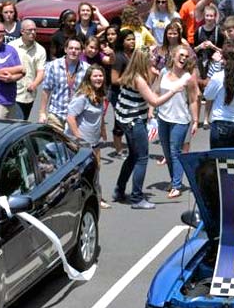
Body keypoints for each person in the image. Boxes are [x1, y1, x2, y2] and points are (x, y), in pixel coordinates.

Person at [112, 48, 185, 210]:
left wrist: (157, 77)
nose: (155, 59)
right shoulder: (139, 79)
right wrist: (174, 91)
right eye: (151, 58)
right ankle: (137, 198)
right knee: (142, 158)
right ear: (143, 61)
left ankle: (119, 190)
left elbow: (151, 89)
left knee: (132, 156)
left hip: (125, 119)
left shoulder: (130, 74)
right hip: (134, 121)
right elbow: (155, 101)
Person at [153, 46, 199, 199]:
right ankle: (174, 180)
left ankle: (177, 185)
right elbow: (156, 92)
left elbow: (193, 100)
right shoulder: (164, 73)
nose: (183, 58)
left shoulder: (188, 77)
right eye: (181, 55)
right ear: (173, 56)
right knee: (167, 152)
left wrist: (195, 120)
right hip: (163, 118)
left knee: (175, 152)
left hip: (180, 120)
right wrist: (150, 111)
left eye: (186, 56)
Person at [66, 64, 111, 209]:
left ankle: (97, 198)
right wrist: (79, 138)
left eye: (101, 76)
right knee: (80, 173)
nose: (99, 78)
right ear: (89, 78)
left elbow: (100, 115)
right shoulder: (82, 96)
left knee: (96, 169)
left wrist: (103, 130)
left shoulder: (100, 94)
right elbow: (71, 117)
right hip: (81, 144)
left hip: (94, 141)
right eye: (95, 76)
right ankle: (75, 201)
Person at [39, 37, 90, 132]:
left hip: (77, 117)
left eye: (77, 49)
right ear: (65, 49)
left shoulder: (87, 69)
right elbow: (46, 90)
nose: (73, 51)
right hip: (56, 115)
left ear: (81, 51)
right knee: (54, 145)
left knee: (72, 146)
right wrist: (42, 113)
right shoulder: (53, 66)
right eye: (71, 48)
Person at [8, 19, 46, 120]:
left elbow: (41, 71)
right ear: (22, 31)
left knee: (24, 120)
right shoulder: (12, 47)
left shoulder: (40, 50)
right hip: (13, 93)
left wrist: (34, 84)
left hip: (29, 94)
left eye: (34, 30)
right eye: (29, 30)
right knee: (18, 122)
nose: (33, 33)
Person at [110, 29, 136, 158]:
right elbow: (114, 80)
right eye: (128, 39)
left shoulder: (135, 55)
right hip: (118, 94)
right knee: (119, 121)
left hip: (132, 93)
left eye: (133, 39)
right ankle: (119, 150)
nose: (132, 42)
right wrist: (130, 78)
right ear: (122, 41)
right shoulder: (119, 57)